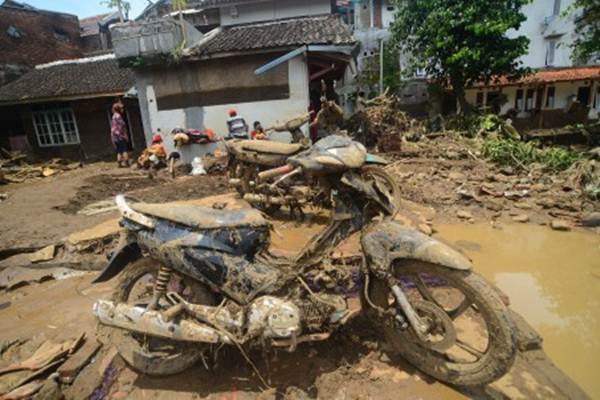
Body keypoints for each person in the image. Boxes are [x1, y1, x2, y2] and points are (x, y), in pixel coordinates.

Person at [111, 101, 130, 167]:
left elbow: (113, 128)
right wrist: (125, 135)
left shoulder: (113, 116)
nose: (122, 110)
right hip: (120, 135)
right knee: (124, 149)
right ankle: (127, 163)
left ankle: (119, 164)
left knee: (119, 151)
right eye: (121, 108)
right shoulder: (118, 116)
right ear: (118, 109)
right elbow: (123, 126)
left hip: (115, 136)